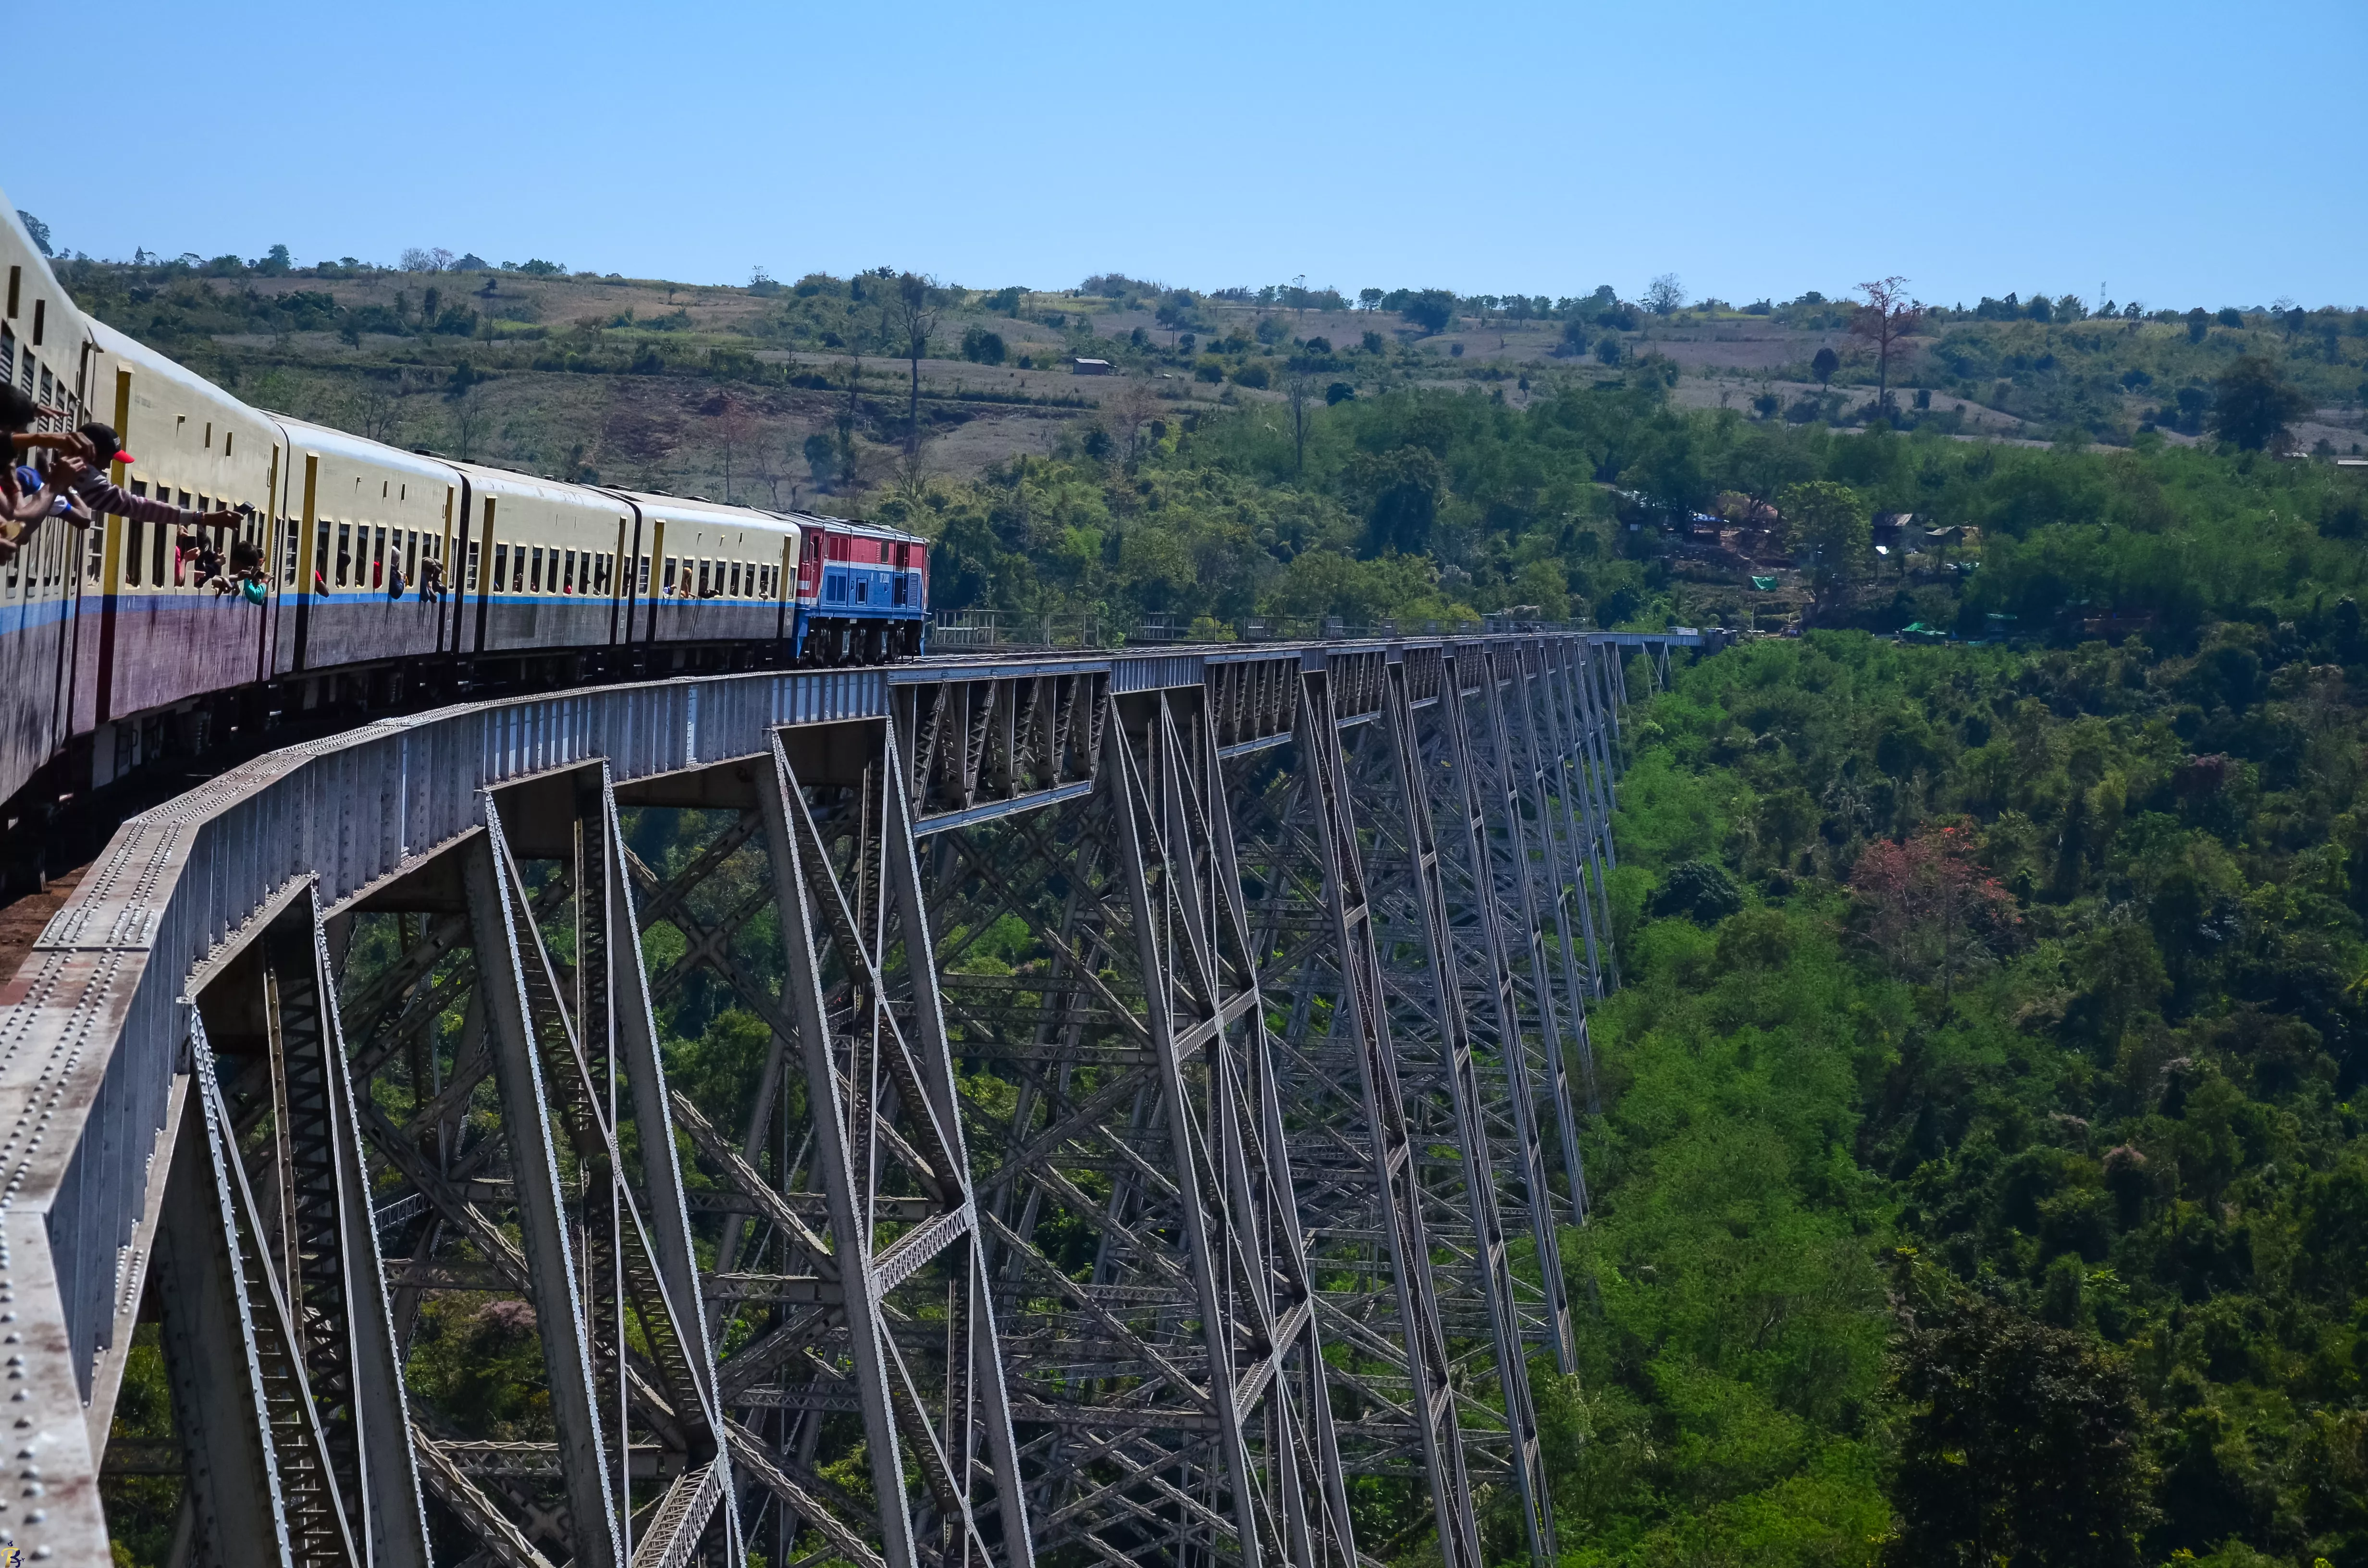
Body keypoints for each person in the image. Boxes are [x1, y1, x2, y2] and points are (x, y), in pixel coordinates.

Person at [47, 422, 243, 536]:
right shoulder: (85, 475)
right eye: (108, 459)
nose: (107, 467)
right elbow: (136, 506)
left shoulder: (52, 458)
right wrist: (201, 517)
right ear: (92, 453)